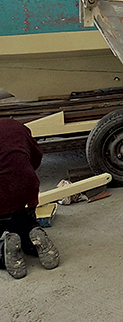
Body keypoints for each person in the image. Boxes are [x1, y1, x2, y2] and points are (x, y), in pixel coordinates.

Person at [0, 118, 59, 279]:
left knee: (5, 224)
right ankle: (32, 235)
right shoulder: (15, 125)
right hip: (26, 191)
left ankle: (4, 245)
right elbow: (36, 157)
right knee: (20, 220)